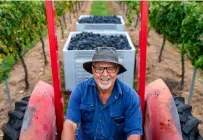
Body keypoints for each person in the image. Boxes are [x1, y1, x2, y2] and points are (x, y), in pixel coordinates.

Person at [62, 47, 143, 140]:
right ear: (92, 70)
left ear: (117, 70)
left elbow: (133, 133)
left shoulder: (130, 96)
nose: (105, 74)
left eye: (110, 69)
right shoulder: (80, 91)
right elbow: (70, 124)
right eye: (99, 69)